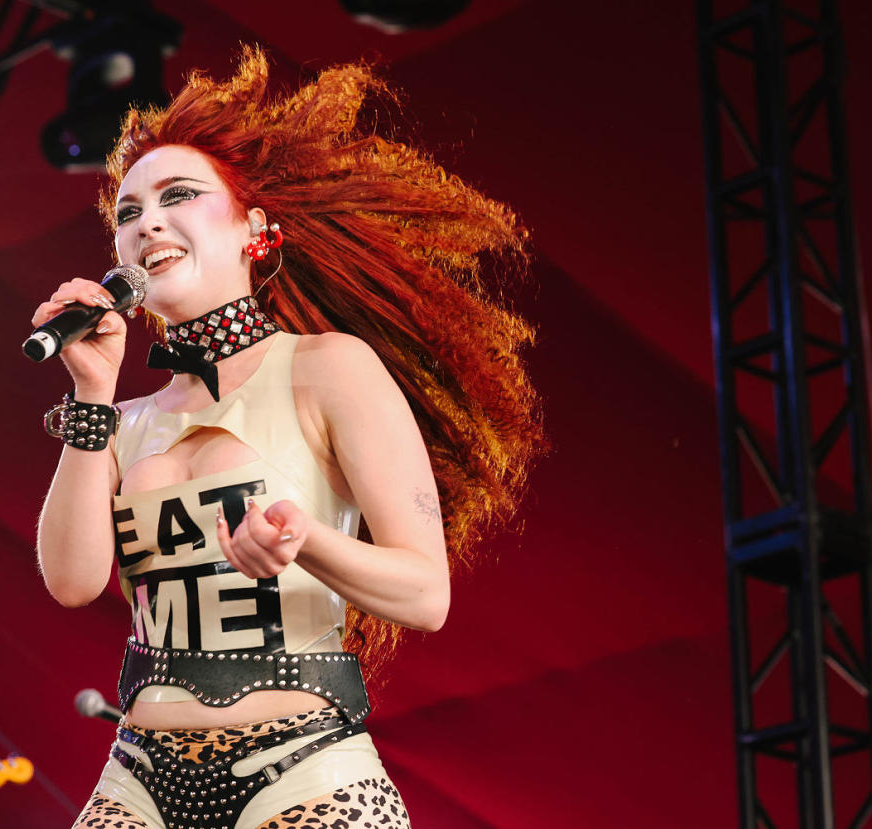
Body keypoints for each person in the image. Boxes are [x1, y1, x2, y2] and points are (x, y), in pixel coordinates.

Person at [32, 46, 543, 829]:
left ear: (256, 232)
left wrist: (306, 539)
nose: (147, 222)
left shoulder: (329, 368)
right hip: (138, 771)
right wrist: (92, 394)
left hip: (304, 767)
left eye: (179, 196)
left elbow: (425, 593)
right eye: (128, 213)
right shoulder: (123, 420)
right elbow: (71, 582)